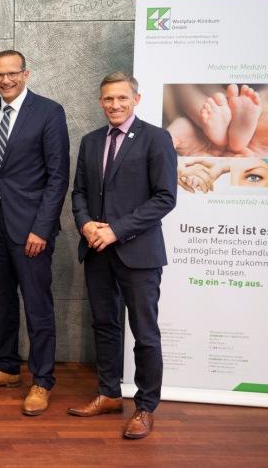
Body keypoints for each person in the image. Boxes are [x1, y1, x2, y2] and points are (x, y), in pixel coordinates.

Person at [69, 71, 177, 440]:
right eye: (108, 99)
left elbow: (165, 198)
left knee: (144, 332)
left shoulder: (156, 139)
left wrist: (115, 230)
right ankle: (109, 394)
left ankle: (145, 407)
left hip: (138, 252)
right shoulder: (90, 141)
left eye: (121, 98)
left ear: (136, 99)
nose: (114, 105)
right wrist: (86, 224)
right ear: (101, 101)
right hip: (97, 251)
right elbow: (79, 192)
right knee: (105, 325)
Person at [0, 50, 69, 416]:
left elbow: (58, 176)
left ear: (26, 74)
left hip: (32, 231)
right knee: (2, 304)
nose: (6, 80)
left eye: (13, 73)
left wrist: (41, 228)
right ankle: (7, 367)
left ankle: (42, 381)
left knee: (37, 307)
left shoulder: (49, 112)